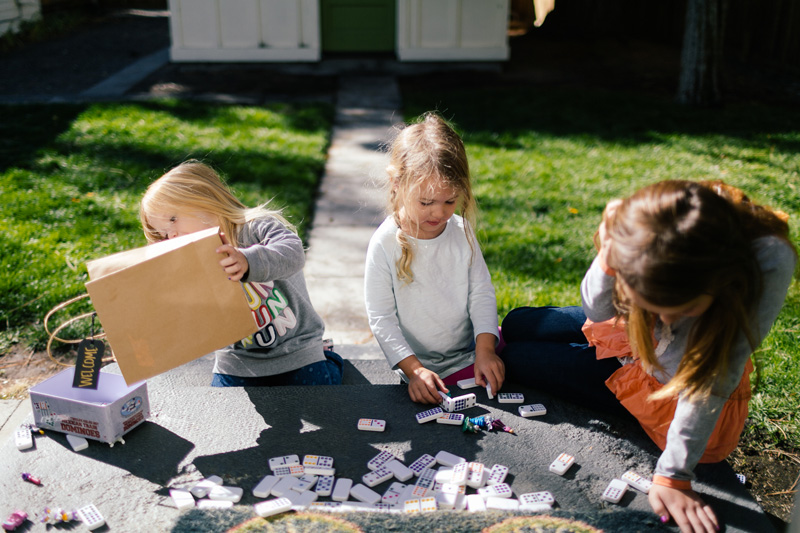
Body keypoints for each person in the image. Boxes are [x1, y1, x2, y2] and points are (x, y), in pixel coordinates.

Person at [500, 180, 796, 533]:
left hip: (670, 388)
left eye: (680, 310)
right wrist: (608, 250)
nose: (669, 321)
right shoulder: (652, 229)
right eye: (656, 308)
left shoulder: (766, 264)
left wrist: (673, 477)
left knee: (517, 359)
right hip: (633, 331)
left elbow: (711, 380)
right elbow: (597, 310)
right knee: (518, 322)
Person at [140, 160, 343, 387]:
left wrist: (248, 261)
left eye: (173, 219)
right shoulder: (190, 263)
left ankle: (329, 357)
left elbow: (293, 252)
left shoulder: (256, 227)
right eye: (164, 233)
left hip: (295, 351)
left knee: (320, 397)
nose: (172, 235)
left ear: (205, 198)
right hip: (237, 361)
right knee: (225, 415)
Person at [364, 112, 504, 404]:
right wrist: (414, 371)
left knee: (529, 340)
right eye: (426, 202)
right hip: (423, 367)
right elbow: (381, 319)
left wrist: (485, 350)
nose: (439, 213)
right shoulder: (384, 243)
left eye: (450, 201)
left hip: (472, 353)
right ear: (396, 183)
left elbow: (481, 293)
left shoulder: (461, 231)